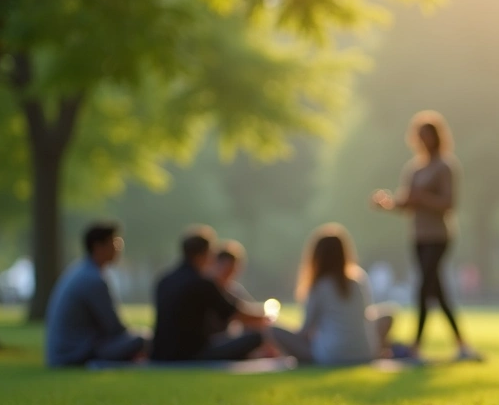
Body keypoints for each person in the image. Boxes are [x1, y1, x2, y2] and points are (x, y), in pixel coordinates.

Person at [371, 110, 481, 361]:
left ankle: (416, 345)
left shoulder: (445, 166)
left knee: (424, 288)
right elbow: (406, 203)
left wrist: (425, 199)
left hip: (438, 236)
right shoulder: (414, 169)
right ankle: (463, 346)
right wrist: (387, 203)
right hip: (418, 236)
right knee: (437, 292)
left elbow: (448, 203)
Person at [270, 224, 397, 364]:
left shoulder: (319, 286)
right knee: (386, 315)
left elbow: (306, 329)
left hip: (330, 355)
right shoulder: (358, 280)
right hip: (365, 352)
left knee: (272, 330)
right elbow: (365, 316)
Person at [151, 226, 271, 361]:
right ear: (204, 254)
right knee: (255, 338)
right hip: (193, 354)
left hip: (161, 353)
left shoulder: (164, 280)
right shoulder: (202, 283)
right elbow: (235, 314)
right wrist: (265, 315)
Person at [45, 222, 146, 367]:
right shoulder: (93, 279)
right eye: (115, 243)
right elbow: (114, 328)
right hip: (76, 354)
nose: (118, 249)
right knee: (142, 340)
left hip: (64, 352)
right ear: (98, 246)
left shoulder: (80, 271)